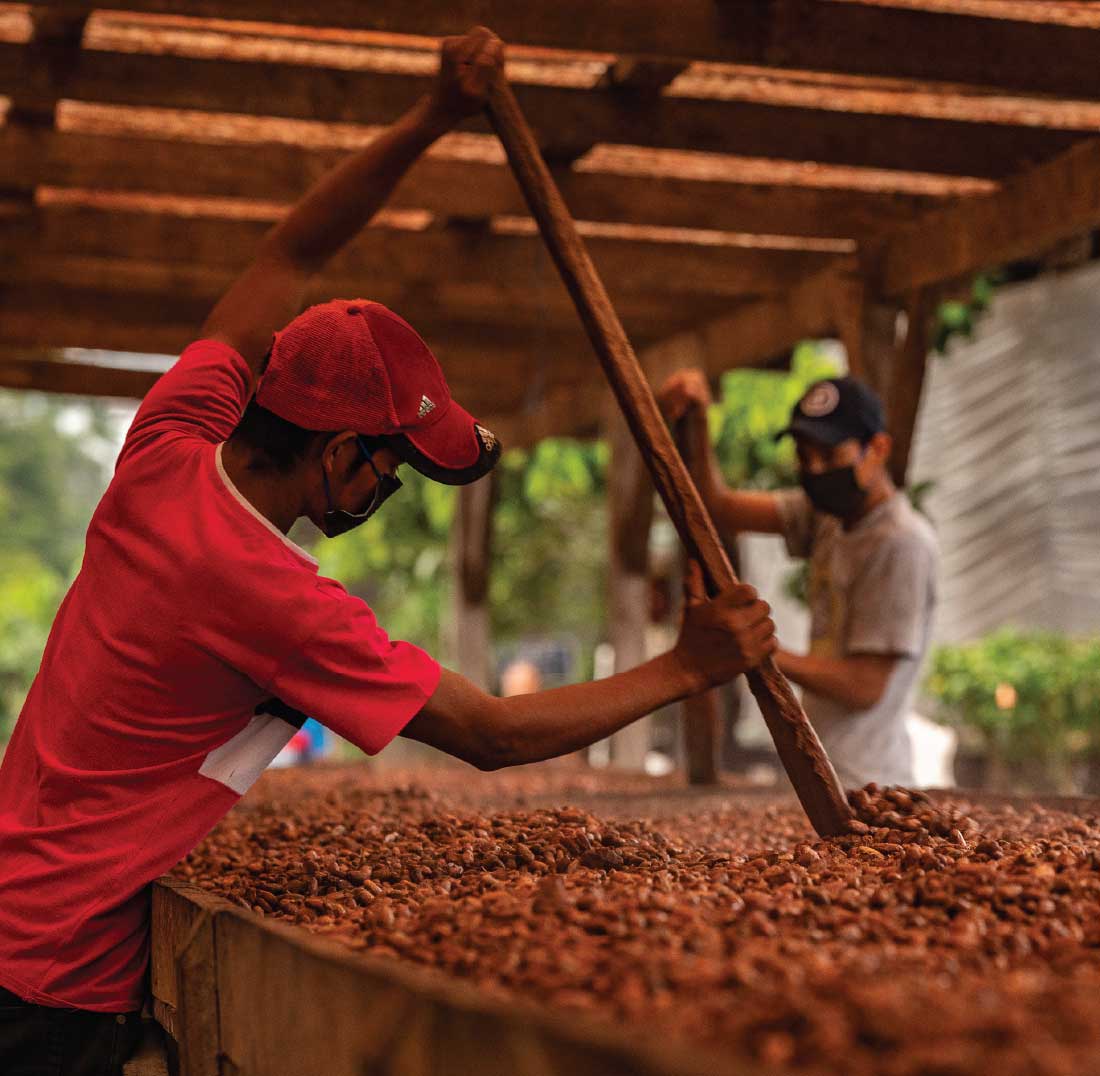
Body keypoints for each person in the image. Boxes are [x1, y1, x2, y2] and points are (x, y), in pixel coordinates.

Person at [0, 28, 777, 1075]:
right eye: (392, 465)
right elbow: (490, 732)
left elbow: (288, 257)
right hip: (56, 979)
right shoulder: (268, 596)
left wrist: (431, 115)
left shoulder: (169, 441)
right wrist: (687, 666)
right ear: (337, 454)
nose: (389, 490)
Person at [657, 369, 938, 790]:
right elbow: (717, 508)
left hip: (871, 782)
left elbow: (865, 685)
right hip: (825, 773)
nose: (815, 469)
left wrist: (760, 648)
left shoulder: (900, 543)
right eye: (805, 456)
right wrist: (697, 422)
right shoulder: (827, 517)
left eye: (830, 455)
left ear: (877, 449)